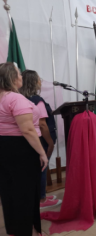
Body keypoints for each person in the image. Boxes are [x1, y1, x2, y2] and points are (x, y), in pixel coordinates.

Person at [0, 62, 48, 236]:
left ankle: (13, 229)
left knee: (8, 189)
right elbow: (27, 130)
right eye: (19, 74)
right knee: (26, 191)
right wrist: (42, 152)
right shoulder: (16, 98)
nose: (21, 76)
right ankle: (27, 230)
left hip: (4, 148)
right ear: (12, 78)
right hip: (21, 149)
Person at [20, 70, 62, 209]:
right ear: (33, 81)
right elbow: (43, 125)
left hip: (29, 141)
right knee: (42, 169)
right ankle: (42, 200)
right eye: (39, 78)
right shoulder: (37, 100)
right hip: (42, 141)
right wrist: (50, 143)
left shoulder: (22, 99)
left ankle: (40, 195)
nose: (40, 81)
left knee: (37, 169)